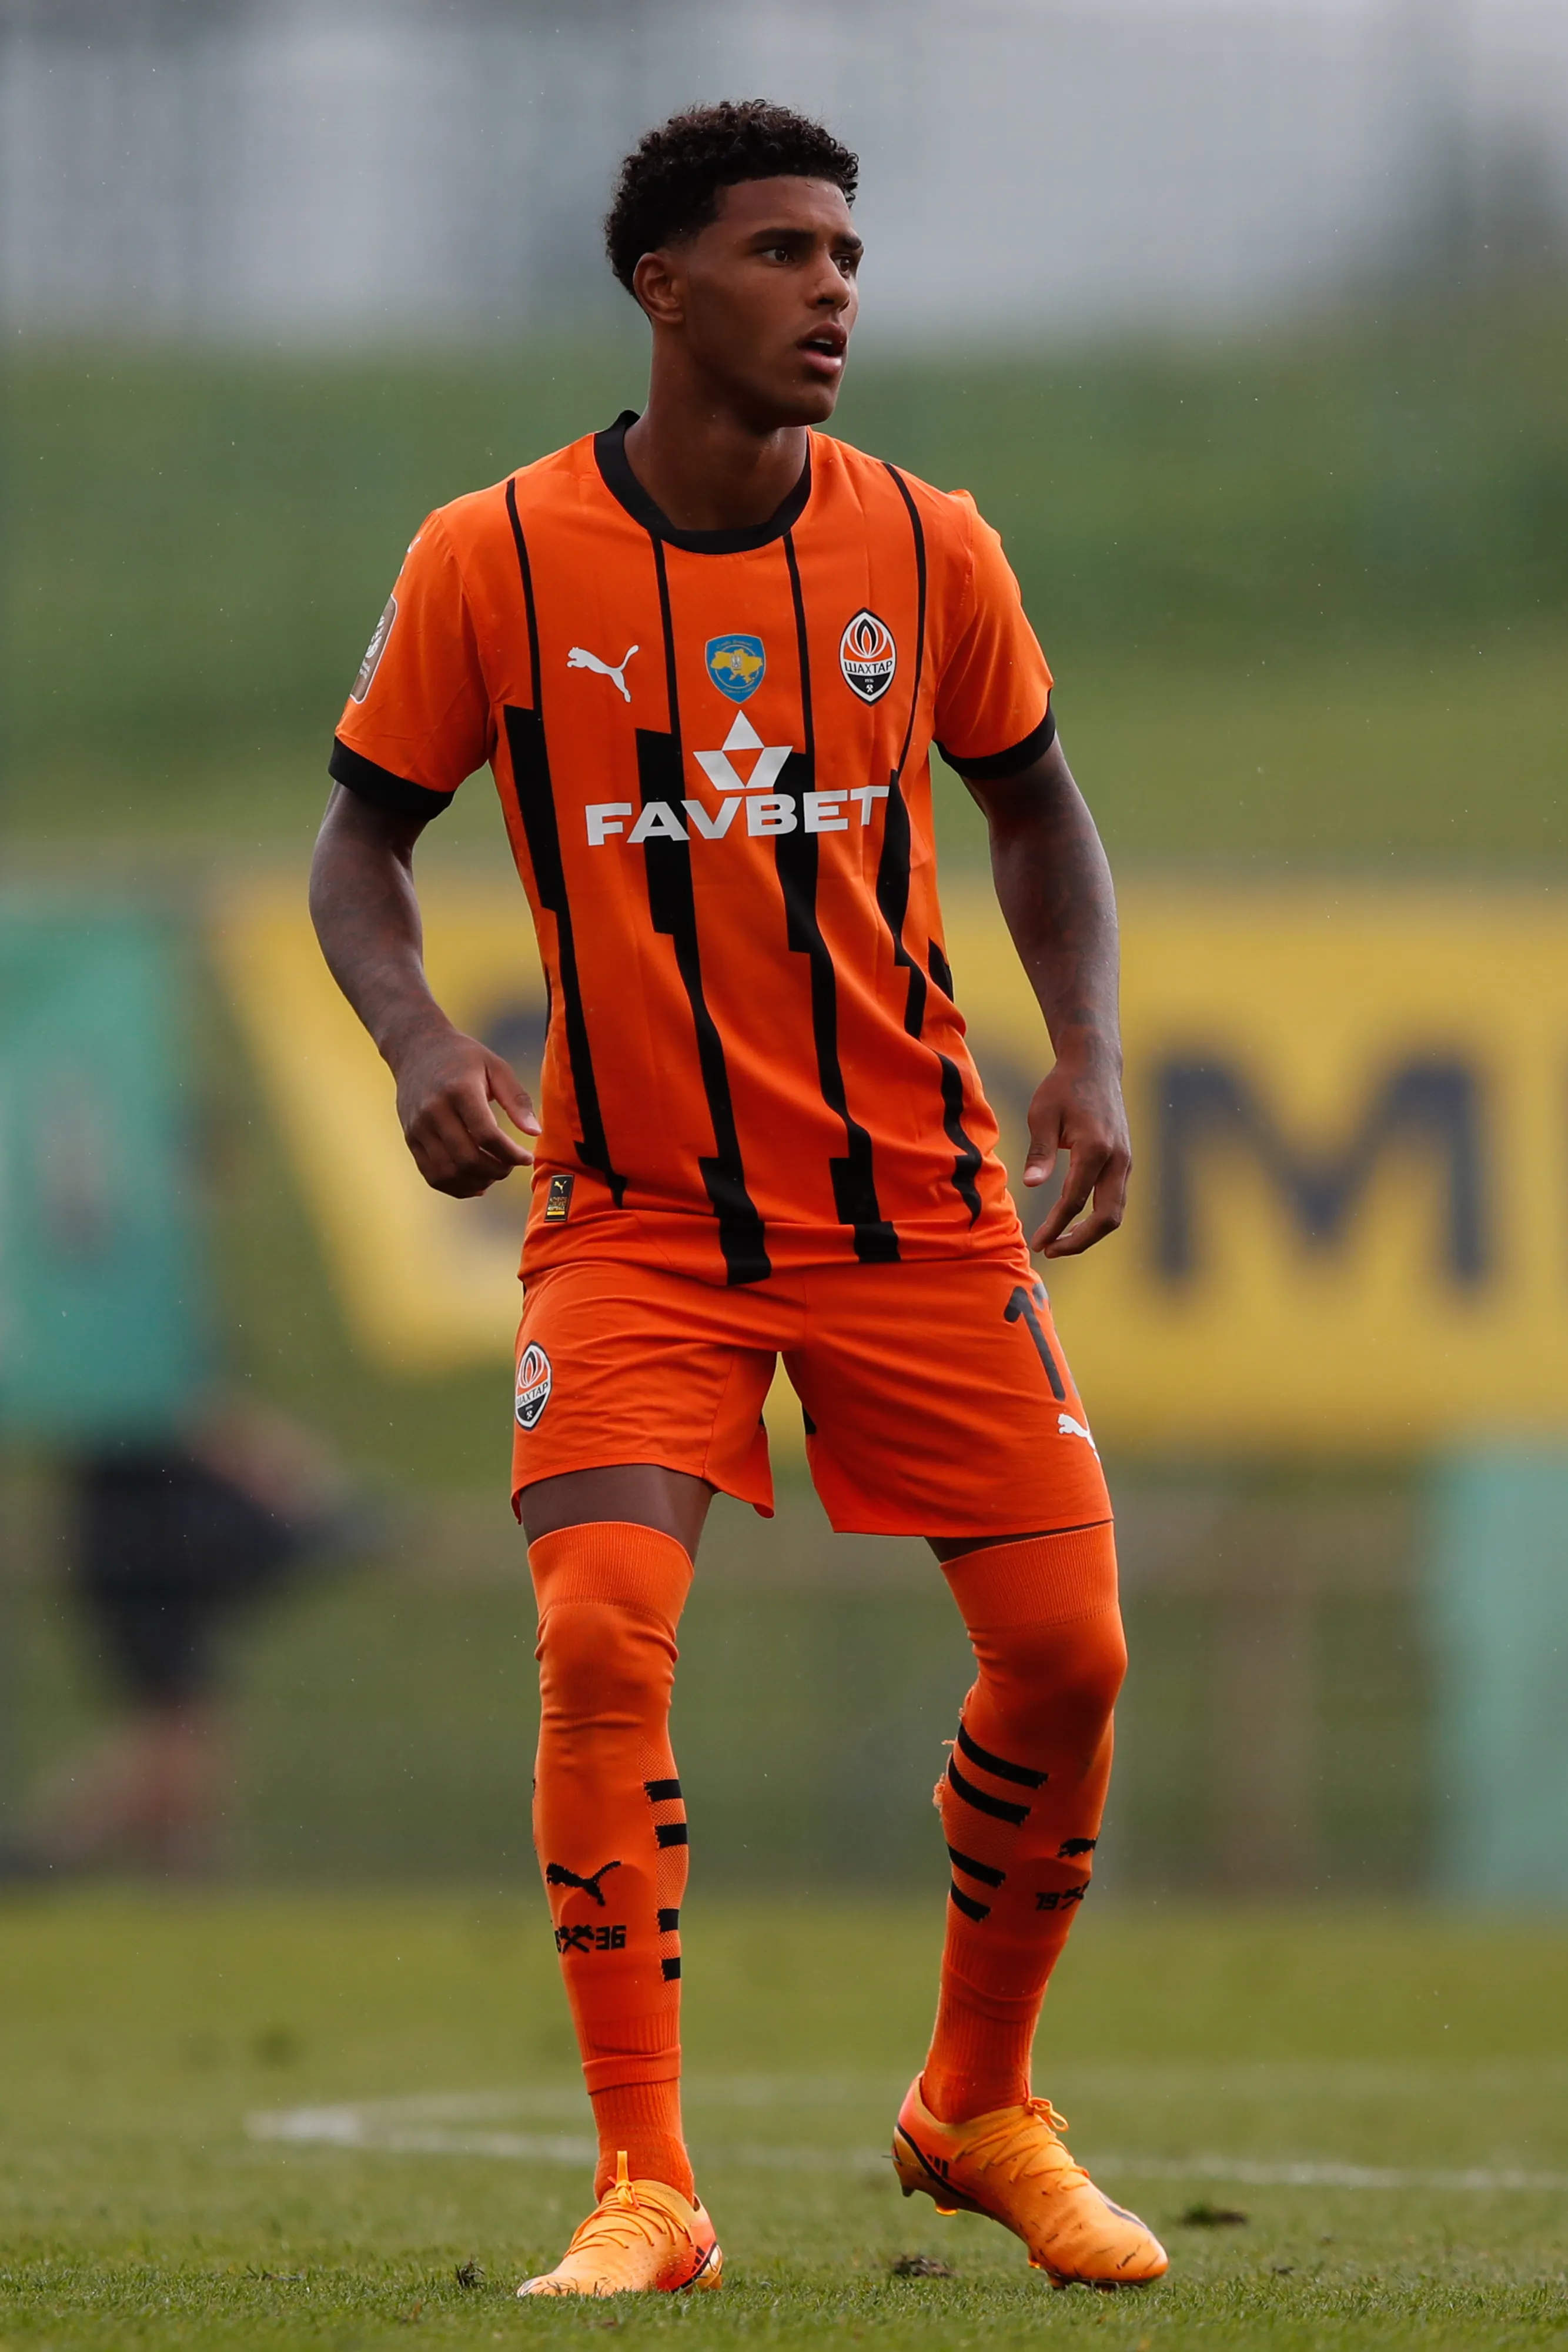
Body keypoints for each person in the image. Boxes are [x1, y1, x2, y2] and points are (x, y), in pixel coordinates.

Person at [310, 100, 1165, 2298]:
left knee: (1069, 1658)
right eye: (785, 254)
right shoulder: (489, 558)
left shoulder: (926, 546)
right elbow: (360, 844)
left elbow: (1040, 808)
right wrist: (419, 1044)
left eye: (850, 255)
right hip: (638, 1222)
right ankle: (648, 2188)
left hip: (916, 1211)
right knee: (602, 1628)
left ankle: (976, 2101)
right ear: (662, 289)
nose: (836, 293)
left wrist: (1083, 1049)